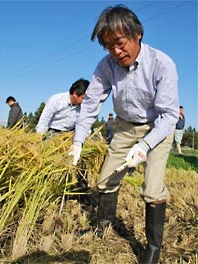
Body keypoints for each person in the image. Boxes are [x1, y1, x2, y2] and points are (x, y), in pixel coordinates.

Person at [70, 5, 179, 264]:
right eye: (109, 46)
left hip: (157, 128)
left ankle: (152, 249)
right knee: (106, 180)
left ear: (137, 34)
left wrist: (144, 146)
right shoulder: (106, 66)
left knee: (152, 188)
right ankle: (103, 227)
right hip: (124, 126)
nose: (116, 52)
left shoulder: (162, 64)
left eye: (119, 43)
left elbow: (169, 116)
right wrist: (78, 141)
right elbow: (91, 104)